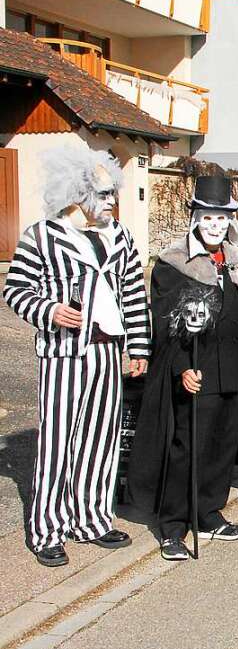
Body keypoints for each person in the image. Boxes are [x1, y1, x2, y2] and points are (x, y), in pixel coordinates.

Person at [3, 145, 150, 567]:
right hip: (63, 354)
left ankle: (91, 518)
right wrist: (49, 311)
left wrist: (137, 347)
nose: (111, 203)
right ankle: (48, 528)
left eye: (112, 195)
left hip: (108, 352)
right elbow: (15, 290)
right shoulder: (42, 235)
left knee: (101, 440)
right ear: (77, 194)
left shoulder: (119, 235)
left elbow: (133, 294)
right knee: (57, 444)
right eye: (103, 195)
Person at [127, 176, 238, 561]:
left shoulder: (237, 263)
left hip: (232, 370)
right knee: (187, 448)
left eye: (222, 218)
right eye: (208, 218)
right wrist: (183, 367)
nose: (215, 225)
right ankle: (172, 526)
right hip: (196, 371)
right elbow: (166, 324)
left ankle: (208, 512)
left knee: (221, 444)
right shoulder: (173, 265)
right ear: (196, 219)